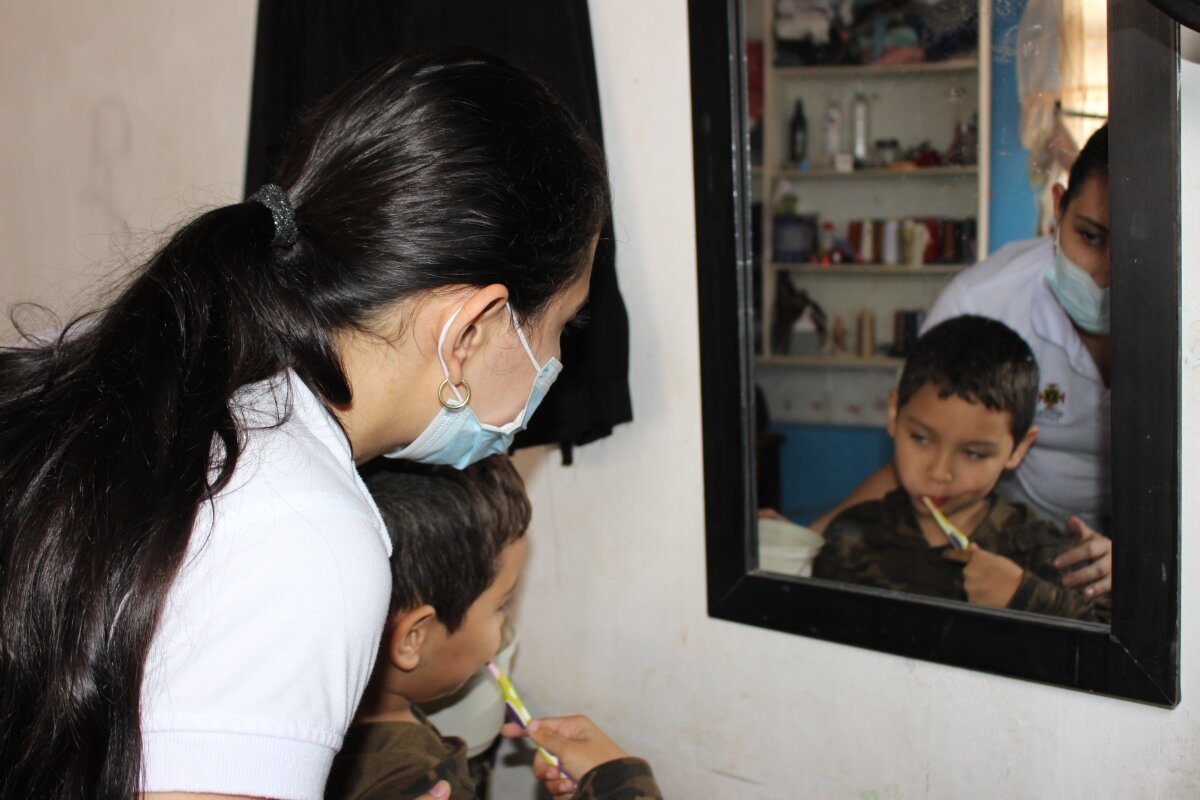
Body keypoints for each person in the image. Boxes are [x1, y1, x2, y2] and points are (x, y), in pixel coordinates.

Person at [0, 49, 609, 800]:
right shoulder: (308, 536)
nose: (553, 362)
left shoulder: (165, 381)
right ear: (468, 329)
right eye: (561, 329)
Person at [811, 124, 1113, 598]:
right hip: (1005, 551)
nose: (1103, 275)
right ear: (1058, 208)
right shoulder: (983, 300)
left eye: (1132, 250)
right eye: (1091, 237)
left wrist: (1149, 554)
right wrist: (803, 544)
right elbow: (930, 441)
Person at [327, 456, 661, 800]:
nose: (505, 626)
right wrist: (617, 780)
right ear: (413, 638)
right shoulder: (432, 786)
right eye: (501, 606)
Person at [813, 316, 1102, 622]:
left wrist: (1022, 596)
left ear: (1018, 449)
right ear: (894, 413)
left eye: (974, 454)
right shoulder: (851, 537)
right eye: (921, 438)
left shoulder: (1047, 554)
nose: (939, 473)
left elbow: (1112, 648)